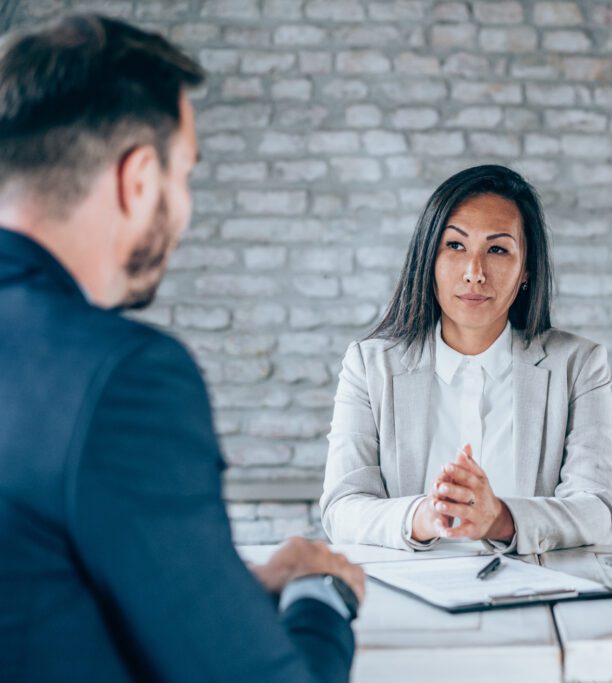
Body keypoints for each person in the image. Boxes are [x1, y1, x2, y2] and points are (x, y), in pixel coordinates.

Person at [0, 14, 362, 682]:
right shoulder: (120, 379)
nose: (186, 207)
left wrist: (236, 587)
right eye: (185, 174)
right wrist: (321, 593)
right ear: (138, 180)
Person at [321, 164, 612, 554]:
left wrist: (499, 519)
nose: (474, 273)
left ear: (526, 270)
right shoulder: (369, 366)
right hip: (412, 595)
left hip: (534, 597)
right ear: (428, 258)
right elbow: (342, 507)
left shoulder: (577, 365)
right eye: (455, 245)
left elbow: (599, 508)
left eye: (497, 249)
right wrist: (426, 515)